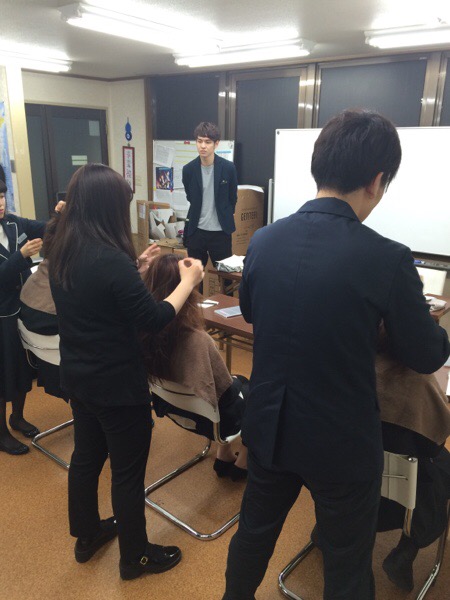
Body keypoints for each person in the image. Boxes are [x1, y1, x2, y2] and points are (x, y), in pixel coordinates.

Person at [222, 109, 450, 600]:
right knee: (347, 563)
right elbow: (426, 354)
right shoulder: (387, 257)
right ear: (377, 180)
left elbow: (254, 311)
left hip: (269, 425)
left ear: (318, 166)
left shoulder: (264, 240)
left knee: (254, 534)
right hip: (339, 442)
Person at [47, 163, 204, 580]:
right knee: (128, 473)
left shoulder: (63, 248)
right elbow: (154, 317)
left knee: (86, 458)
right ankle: (136, 557)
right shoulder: (110, 260)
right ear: (107, 208)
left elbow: (98, 294)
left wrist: (134, 267)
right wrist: (188, 282)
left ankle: (87, 535)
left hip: (79, 377)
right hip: (116, 386)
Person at [141, 253, 248, 479]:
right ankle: (244, 461)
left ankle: (224, 454)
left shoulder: (142, 331)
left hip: (171, 408)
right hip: (213, 421)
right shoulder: (198, 340)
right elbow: (225, 392)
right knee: (255, 391)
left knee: (238, 383)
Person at [0, 168, 47, 455]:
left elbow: (46, 227)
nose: (0, 203)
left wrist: (64, 213)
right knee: (3, 371)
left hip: (21, 307)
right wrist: (21, 256)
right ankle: (1, 433)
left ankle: (17, 417)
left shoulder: (13, 223)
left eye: (1, 196)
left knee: (21, 368)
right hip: (1, 314)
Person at [182, 122, 238, 272]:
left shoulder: (228, 168)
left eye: (207, 142)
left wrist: (225, 213)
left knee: (226, 277)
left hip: (220, 232)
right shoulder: (188, 170)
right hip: (196, 231)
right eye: (199, 141)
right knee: (193, 277)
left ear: (216, 144)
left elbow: (232, 198)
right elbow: (190, 197)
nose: (203, 146)